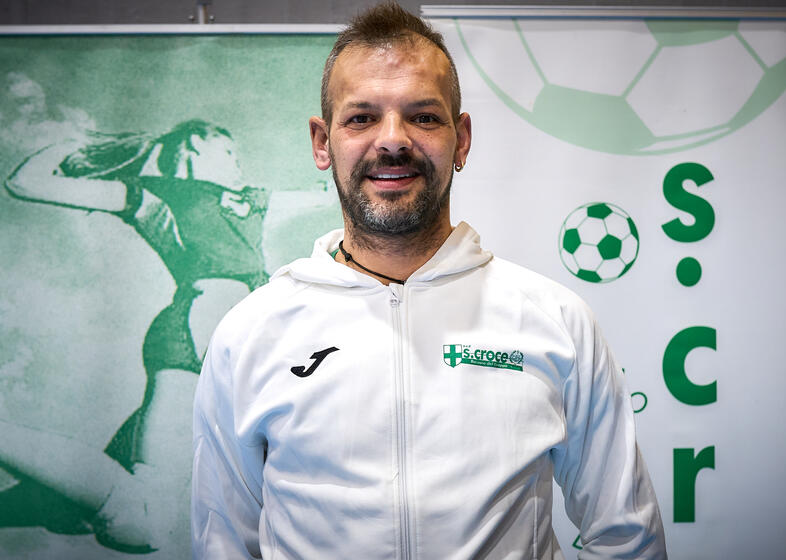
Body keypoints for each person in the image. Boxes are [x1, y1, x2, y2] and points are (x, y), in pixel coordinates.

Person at [191, 2, 667, 559]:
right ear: (322, 142)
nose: (393, 140)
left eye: (423, 116)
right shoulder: (251, 334)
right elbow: (222, 544)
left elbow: (627, 538)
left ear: (461, 139)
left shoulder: (556, 321)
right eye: (361, 118)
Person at [2, 119, 268, 555]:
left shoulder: (253, 203)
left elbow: (335, 196)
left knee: (85, 514)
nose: (238, 165)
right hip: (194, 339)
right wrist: (75, 144)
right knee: (141, 518)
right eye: (228, 153)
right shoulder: (154, 195)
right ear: (194, 145)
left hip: (229, 360)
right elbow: (25, 183)